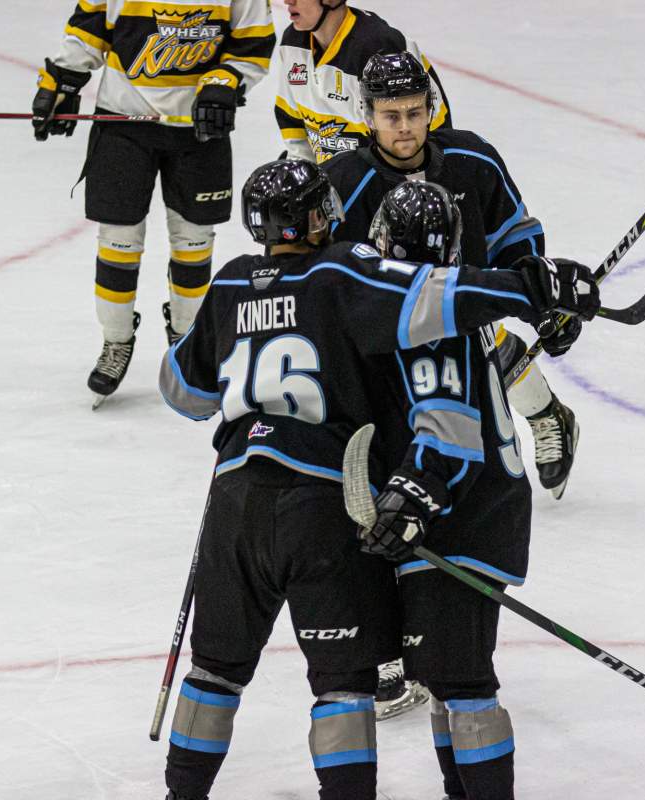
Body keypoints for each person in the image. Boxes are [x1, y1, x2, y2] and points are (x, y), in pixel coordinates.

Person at [156, 159, 599, 800]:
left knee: (215, 669)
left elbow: (182, 392)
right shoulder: (339, 270)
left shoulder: (226, 285)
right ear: (315, 216)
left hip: (233, 501)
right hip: (320, 500)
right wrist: (532, 286)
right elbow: (436, 293)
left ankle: (181, 795)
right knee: (344, 685)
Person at [324, 52, 584, 501]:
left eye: (414, 112)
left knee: (477, 386)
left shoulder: (472, 158)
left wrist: (544, 301)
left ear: (430, 108)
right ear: (367, 116)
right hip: (385, 327)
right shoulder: (342, 182)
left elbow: (514, 236)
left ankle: (544, 417)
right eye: (390, 115)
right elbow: (322, 272)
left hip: (467, 313)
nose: (404, 126)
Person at [359, 180, 544, 800]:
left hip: (469, 513)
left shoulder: (433, 320)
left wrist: (410, 497)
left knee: (464, 683)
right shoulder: (451, 298)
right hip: (462, 509)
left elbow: (451, 436)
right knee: (443, 678)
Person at [32, 0, 275, 405]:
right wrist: (61, 83)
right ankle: (116, 341)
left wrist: (225, 82)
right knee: (118, 240)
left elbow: (254, 43)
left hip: (198, 130)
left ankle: (188, 338)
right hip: (124, 123)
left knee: (194, 242)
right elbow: (88, 29)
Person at [274, 0, 451, 163]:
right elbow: (290, 119)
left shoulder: (379, 48)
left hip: (379, 185)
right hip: (335, 180)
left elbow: (425, 136)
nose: (288, 1)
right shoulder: (292, 42)